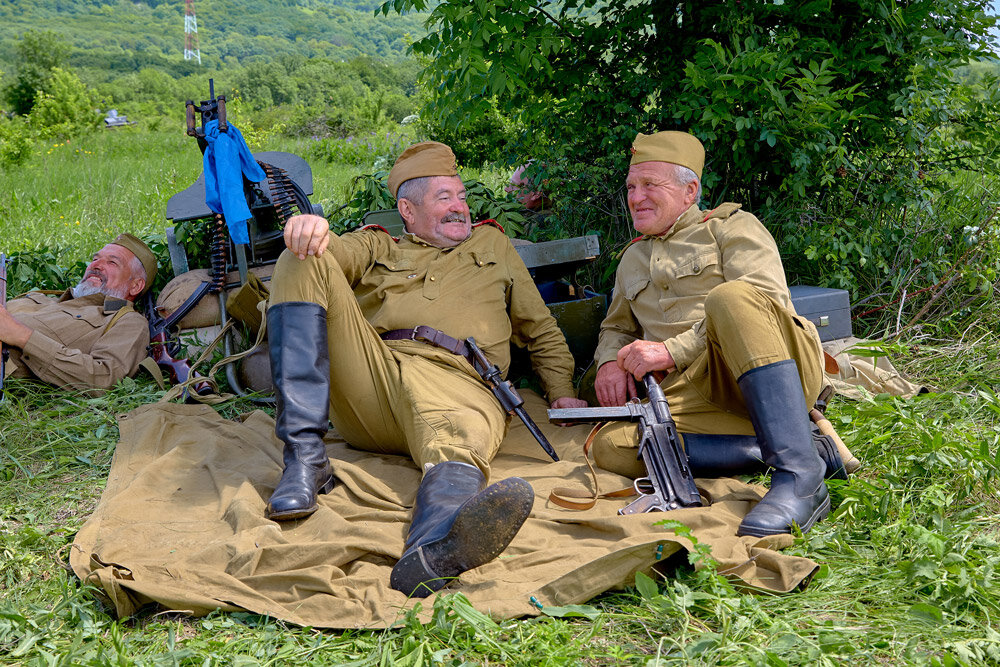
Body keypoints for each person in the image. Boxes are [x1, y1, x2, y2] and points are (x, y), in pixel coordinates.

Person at [264, 141, 587, 597]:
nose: (460, 208)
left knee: (457, 432)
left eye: (461, 197)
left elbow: (540, 328)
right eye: (444, 199)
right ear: (407, 211)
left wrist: (561, 391)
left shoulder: (492, 244)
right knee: (301, 258)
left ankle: (435, 544)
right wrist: (309, 230)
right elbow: (332, 251)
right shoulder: (378, 243)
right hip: (376, 381)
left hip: (462, 381)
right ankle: (304, 461)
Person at [593, 131, 836, 537]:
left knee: (732, 297)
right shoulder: (632, 258)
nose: (636, 197)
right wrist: (607, 364)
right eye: (631, 187)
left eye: (650, 184)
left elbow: (764, 300)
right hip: (694, 390)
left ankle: (800, 475)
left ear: (690, 191)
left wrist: (671, 350)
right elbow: (616, 326)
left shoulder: (731, 228)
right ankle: (790, 447)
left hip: (773, 368)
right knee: (613, 446)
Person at [0, 234, 156, 391]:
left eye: (112, 262)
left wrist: (21, 336)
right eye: (95, 259)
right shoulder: (43, 298)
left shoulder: (127, 321)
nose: (96, 265)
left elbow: (104, 378)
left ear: (135, 286)